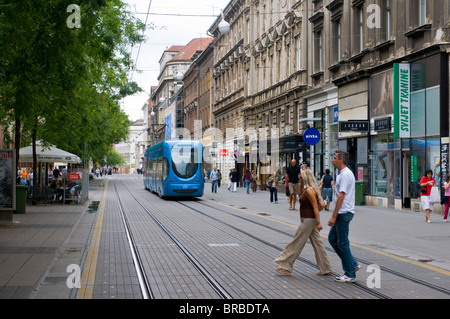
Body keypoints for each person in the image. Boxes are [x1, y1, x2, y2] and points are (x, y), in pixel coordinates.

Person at [274, 169, 332, 276]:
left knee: (297, 242)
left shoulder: (310, 191)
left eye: (300, 177)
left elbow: (315, 206)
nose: (298, 178)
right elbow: (300, 196)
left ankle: (286, 265)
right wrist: (300, 184)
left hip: (308, 220)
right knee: (318, 244)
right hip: (308, 219)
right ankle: (326, 268)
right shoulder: (306, 189)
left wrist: (318, 222)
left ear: (305, 177)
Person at [328, 150, 360, 283]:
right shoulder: (343, 174)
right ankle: (351, 263)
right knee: (332, 239)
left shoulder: (345, 174)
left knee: (342, 243)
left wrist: (333, 216)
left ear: (341, 160)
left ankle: (350, 273)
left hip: (343, 212)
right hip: (344, 212)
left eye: (335, 158)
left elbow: (341, 196)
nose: (333, 160)